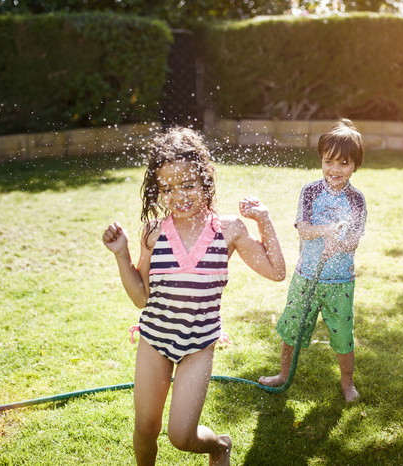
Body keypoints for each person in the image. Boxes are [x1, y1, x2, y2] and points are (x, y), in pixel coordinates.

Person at [103, 126, 286, 466]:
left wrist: (264, 219)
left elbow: (277, 271)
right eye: (168, 188)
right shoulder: (154, 234)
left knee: (181, 436)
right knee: (145, 428)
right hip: (155, 339)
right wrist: (120, 254)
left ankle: (219, 446)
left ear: (205, 179)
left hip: (198, 345)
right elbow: (141, 298)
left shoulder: (228, 229)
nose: (179, 196)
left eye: (188, 184)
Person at [258, 118, 366, 402]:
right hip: (306, 276)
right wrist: (329, 231)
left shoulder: (357, 200)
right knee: (292, 330)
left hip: (340, 281)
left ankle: (347, 383)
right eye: (329, 161)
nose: (335, 170)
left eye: (344, 163)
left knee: (343, 336)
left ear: (355, 165)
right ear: (321, 160)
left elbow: (354, 240)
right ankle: (283, 374)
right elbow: (304, 231)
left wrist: (339, 245)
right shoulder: (310, 192)